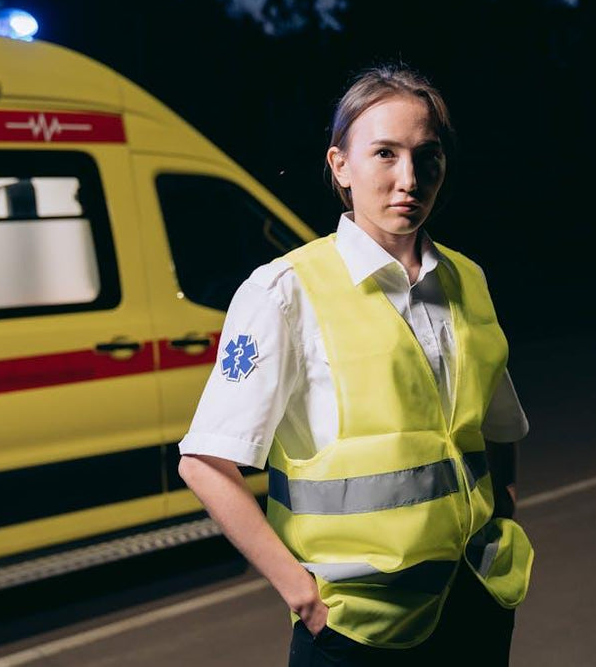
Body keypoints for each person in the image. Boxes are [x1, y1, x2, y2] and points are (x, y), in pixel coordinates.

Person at [178, 65, 534, 666]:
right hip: (357, 632)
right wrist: (302, 595)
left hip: (475, 603)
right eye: (384, 154)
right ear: (340, 166)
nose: (409, 178)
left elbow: (496, 428)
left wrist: (502, 516)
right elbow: (204, 463)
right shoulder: (285, 292)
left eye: (427, 154)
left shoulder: (468, 280)